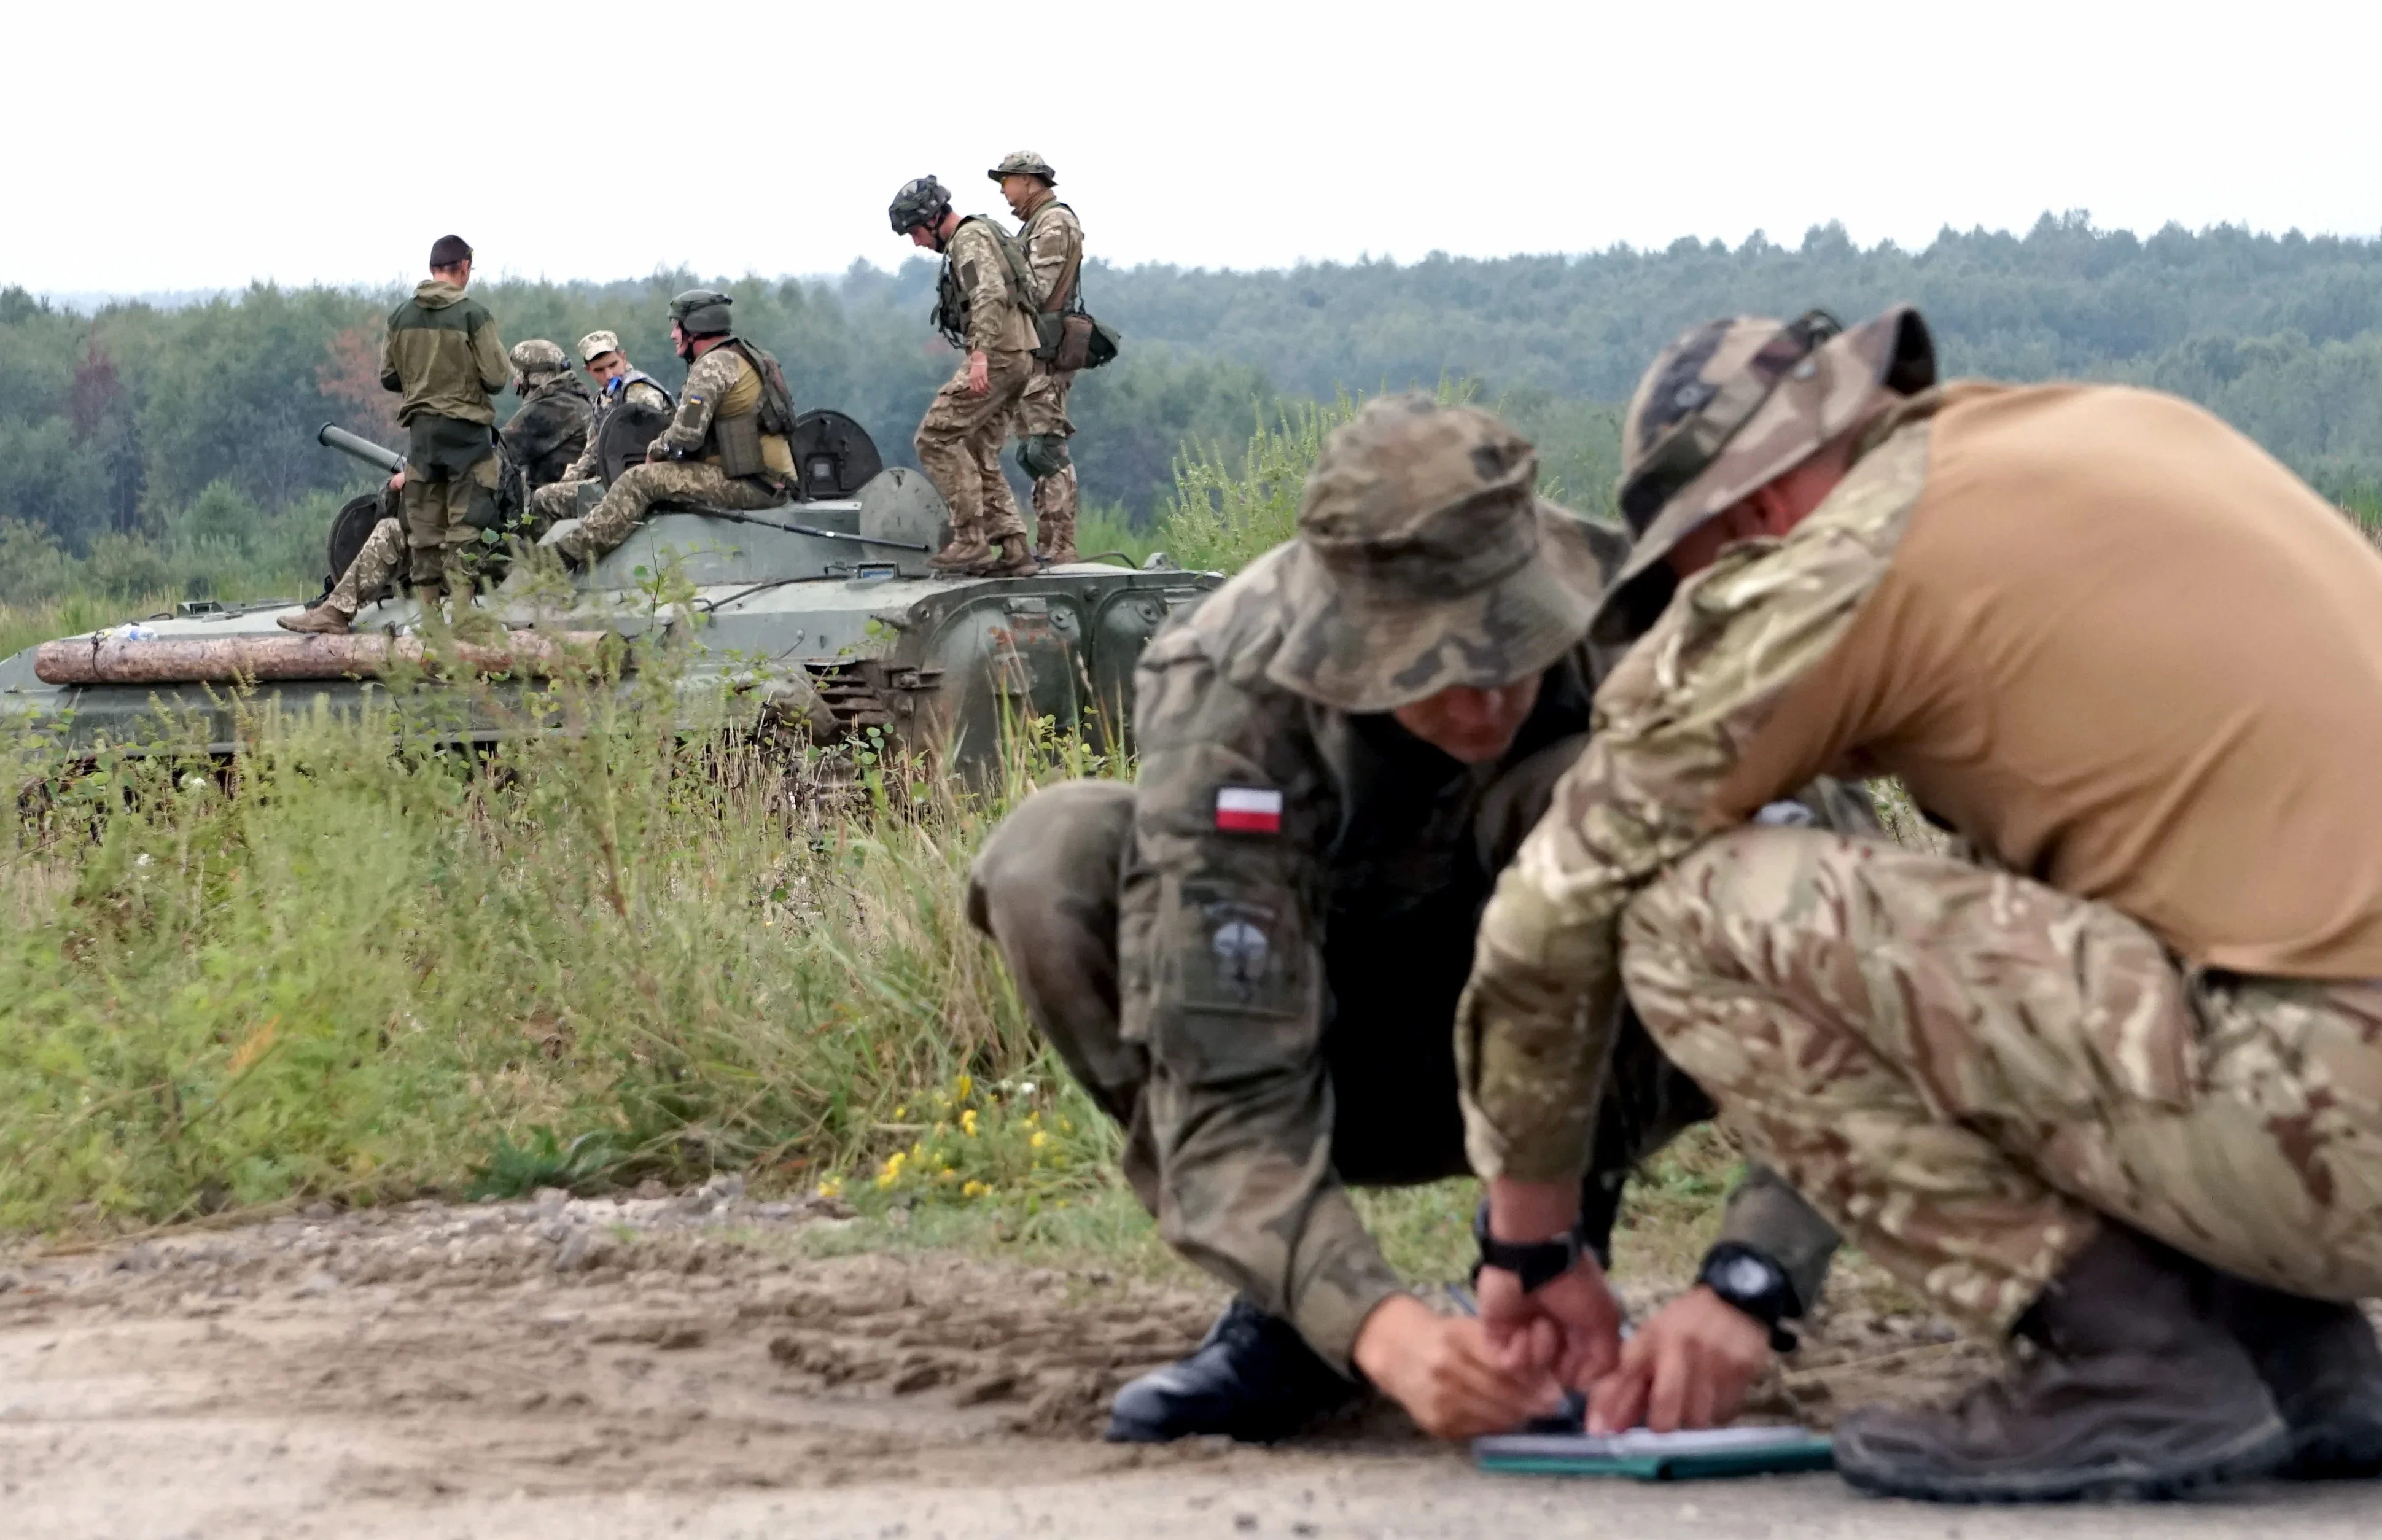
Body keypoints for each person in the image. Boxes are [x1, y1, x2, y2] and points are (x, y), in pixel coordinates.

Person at [1445, 306, 2382, 1502]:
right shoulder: (2119, 442)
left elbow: (1555, 906)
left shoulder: (1843, 555)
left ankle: (2124, 1363)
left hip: (2329, 1114)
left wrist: (1528, 1242)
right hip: (2328, 1090)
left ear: (1750, 521)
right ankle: (2296, 1355)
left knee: (1683, 914)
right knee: (2084, 879)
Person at [967, 395, 1847, 1444]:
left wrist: (1750, 1276)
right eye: (1427, 668)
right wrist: (1378, 1329)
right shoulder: (1234, 693)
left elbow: (1864, 969)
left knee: (1602, 797)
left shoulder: (1656, 630)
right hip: (1336, 1062)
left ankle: (1553, 1234)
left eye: (1507, 649)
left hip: (1611, 1063)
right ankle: (1293, 1310)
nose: (1480, 701)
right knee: (1049, 854)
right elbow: (1219, 1084)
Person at [279, 236, 507, 634]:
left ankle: (430, 618)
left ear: (433, 267)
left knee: (423, 532)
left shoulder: (401, 317)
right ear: (466, 267)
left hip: (423, 439)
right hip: (467, 437)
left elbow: (388, 376)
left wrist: (424, 384)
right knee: (464, 529)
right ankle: (465, 618)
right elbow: (497, 377)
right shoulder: (474, 315)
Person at [542, 290, 796, 564]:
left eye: (677, 326)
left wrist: (656, 450)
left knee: (639, 480)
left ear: (694, 330)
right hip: (765, 478)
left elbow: (686, 435)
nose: (673, 335)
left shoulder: (712, 365)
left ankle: (567, 556)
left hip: (753, 484)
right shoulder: (741, 356)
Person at [887, 176, 1037, 576]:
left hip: (999, 354)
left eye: (916, 232)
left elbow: (988, 293)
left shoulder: (968, 240)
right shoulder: (984, 232)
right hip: (1020, 354)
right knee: (977, 448)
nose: (917, 243)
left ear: (933, 220)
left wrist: (980, 357)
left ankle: (970, 540)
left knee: (935, 438)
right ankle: (1013, 547)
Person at [989, 151, 1084, 565]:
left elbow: (1038, 291)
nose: (1004, 193)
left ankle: (1060, 545)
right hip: (1032, 354)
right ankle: (1047, 543)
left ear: (1029, 181)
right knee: (1032, 451)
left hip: (1044, 355)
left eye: (1007, 182)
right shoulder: (1037, 225)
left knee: (1047, 449)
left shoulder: (1053, 223)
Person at [525, 330, 676, 530]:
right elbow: (591, 453)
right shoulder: (605, 398)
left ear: (623, 357)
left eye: (613, 365)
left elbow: (661, 442)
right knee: (546, 494)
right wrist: (566, 481)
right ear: (588, 370)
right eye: (599, 370)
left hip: (643, 482)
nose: (609, 375)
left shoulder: (639, 392)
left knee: (545, 499)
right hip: (615, 480)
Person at [499, 338, 596, 510]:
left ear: (534, 377)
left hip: (555, 506)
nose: (516, 383)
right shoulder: (572, 397)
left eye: (519, 376)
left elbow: (501, 449)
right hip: (576, 499)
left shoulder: (552, 408)